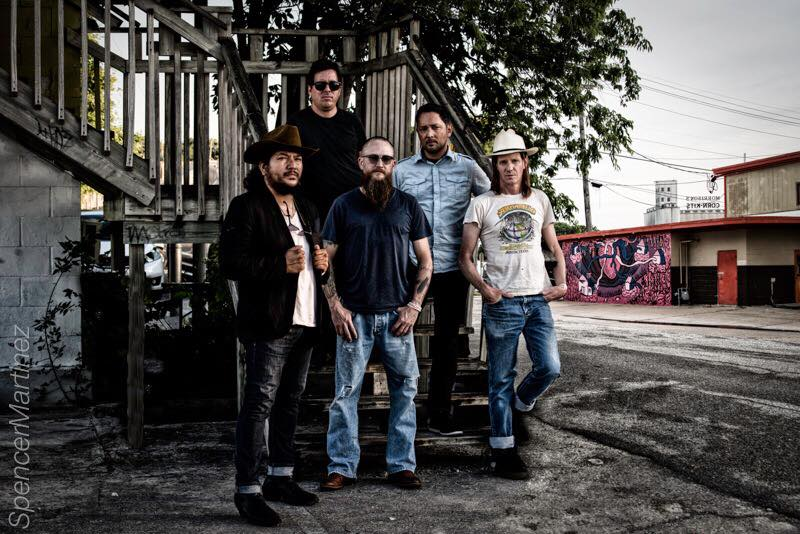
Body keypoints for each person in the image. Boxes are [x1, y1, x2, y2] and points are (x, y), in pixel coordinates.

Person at [220, 124, 329, 527]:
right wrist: (278, 264)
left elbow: (313, 264)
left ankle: (280, 477)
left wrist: (323, 264)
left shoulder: (307, 208)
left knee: (290, 401)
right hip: (269, 324)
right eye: (283, 158)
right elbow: (231, 264)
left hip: (305, 319)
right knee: (259, 404)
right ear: (264, 166)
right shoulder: (246, 207)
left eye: (297, 158)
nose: (292, 165)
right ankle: (248, 490)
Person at [317, 136, 433, 491]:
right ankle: (341, 466)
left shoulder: (408, 206)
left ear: (394, 164)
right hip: (355, 318)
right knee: (345, 394)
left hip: (397, 318)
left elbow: (426, 261)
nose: (380, 164)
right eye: (373, 158)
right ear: (361, 162)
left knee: (404, 391)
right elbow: (324, 261)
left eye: (386, 159)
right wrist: (335, 306)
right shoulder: (343, 205)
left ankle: (401, 465)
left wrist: (414, 306)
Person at [458, 128, 567, 480]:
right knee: (500, 379)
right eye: (502, 162)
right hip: (502, 303)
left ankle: (520, 405)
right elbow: (465, 257)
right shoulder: (482, 204)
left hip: (537, 300)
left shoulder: (540, 200)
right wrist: (485, 289)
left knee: (549, 367)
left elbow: (554, 247)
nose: (509, 168)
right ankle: (504, 451)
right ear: (496, 166)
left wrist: (562, 283)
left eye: (514, 161)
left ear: (524, 163)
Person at [394, 102, 490, 436]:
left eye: (435, 127)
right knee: (396, 334)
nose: (429, 134)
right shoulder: (402, 172)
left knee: (446, 342)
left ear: (448, 129)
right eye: (423, 129)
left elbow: (491, 203)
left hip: (452, 267)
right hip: (411, 266)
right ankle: (398, 411)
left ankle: (438, 414)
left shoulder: (468, 168)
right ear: (417, 133)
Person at [287, 58, 366, 220]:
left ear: (339, 89)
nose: (327, 90)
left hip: (353, 206)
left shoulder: (352, 121)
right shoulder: (296, 123)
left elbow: (363, 158)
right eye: (320, 85)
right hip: (313, 211)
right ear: (310, 89)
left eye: (333, 85)